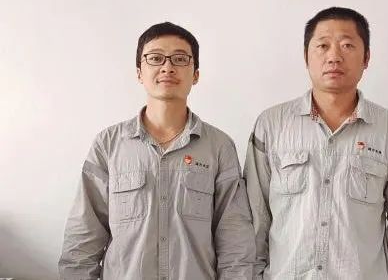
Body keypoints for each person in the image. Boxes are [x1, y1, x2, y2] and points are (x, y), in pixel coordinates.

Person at [59, 22, 255, 280]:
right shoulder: (108, 145)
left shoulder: (219, 147)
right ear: (139, 72)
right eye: (155, 58)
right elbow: (82, 240)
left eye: (180, 59)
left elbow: (235, 242)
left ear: (196, 74)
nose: (167, 67)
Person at [244, 7, 388, 279]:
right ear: (306, 56)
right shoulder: (271, 125)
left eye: (347, 45)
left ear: (366, 58)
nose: (334, 56)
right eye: (323, 46)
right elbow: (253, 221)